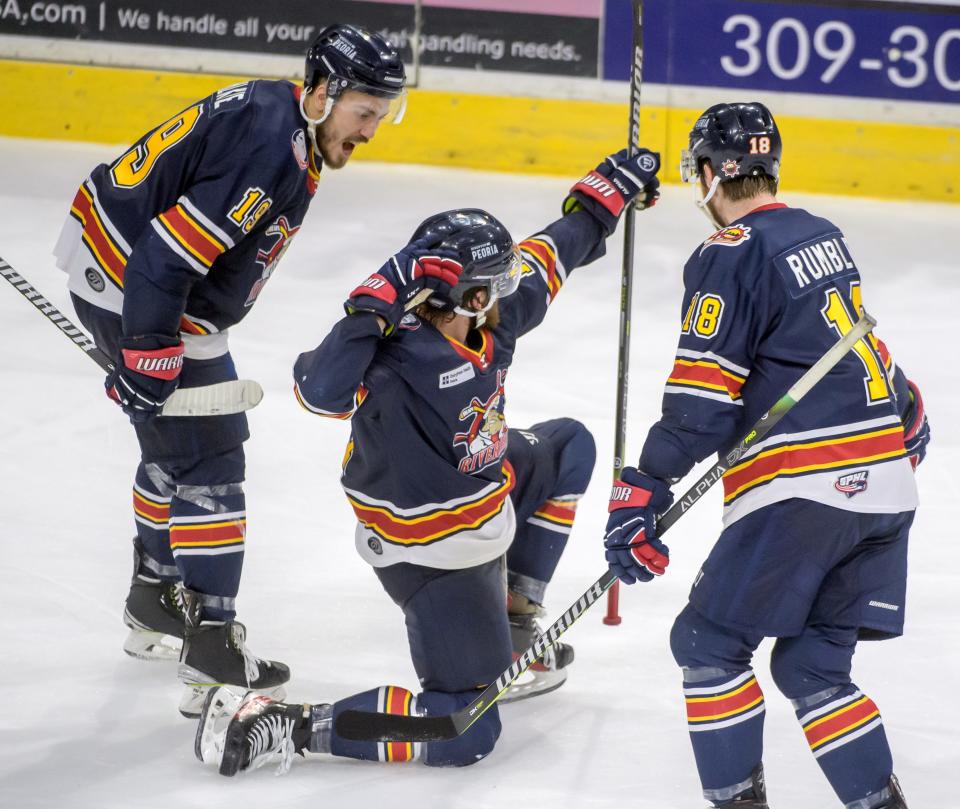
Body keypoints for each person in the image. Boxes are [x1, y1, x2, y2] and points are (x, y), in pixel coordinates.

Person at [194, 148, 663, 775]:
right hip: (433, 551)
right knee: (463, 729)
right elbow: (317, 390)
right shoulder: (389, 359)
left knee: (567, 445)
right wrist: (372, 303)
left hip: (484, 488)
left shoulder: (492, 321)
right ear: (464, 293)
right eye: (495, 281)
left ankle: (513, 619)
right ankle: (285, 724)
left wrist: (601, 199)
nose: (509, 289)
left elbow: (553, 254)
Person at [52, 23, 408, 717]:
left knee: (174, 447)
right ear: (322, 92)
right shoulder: (270, 150)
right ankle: (212, 646)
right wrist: (149, 348)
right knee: (212, 460)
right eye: (365, 112)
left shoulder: (284, 125)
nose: (371, 130)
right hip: (139, 287)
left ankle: (154, 597)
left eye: (381, 114)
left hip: (139, 281)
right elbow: (165, 253)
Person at [602, 102, 930, 809]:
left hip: (805, 487)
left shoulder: (729, 251)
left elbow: (702, 399)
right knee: (813, 667)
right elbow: (853, 346)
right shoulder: (822, 233)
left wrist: (644, 485)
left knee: (708, 644)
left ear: (715, 172)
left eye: (699, 173)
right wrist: (904, 407)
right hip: (886, 488)